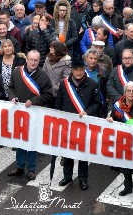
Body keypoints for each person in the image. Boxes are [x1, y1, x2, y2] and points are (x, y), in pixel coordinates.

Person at [55, 57, 102, 191]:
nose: (79, 72)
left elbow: (98, 103)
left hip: (84, 124)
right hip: (68, 125)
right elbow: (58, 103)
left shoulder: (92, 84)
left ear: (84, 69)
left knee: (83, 154)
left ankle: (83, 179)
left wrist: (87, 112)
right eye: (76, 70)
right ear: (72, 71)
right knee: (68, 152)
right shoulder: (65, 84)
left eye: (81, 70)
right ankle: (67, 176)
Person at [8, 50, 54, 180]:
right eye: (31, 59)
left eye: (36, 60)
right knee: (19, 140)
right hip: (19, 113)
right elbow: (10, 88)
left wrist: (33, 101)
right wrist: (12, 97)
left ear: (39, 61)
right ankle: (20, 166)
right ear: (26, 59)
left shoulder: (43, 76)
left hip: (34, 114)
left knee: (32, 141)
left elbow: (48, 95)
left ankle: (31, 169)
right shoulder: (17, 72)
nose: (33, 62)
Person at [107, 81, 133, 203]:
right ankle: (128, 187)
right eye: (128, 91)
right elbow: (112, 117)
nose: (131, 93)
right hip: (122, 141)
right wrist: (110, 119)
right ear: (124, 92)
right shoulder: (117, 105)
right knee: (125, 166)